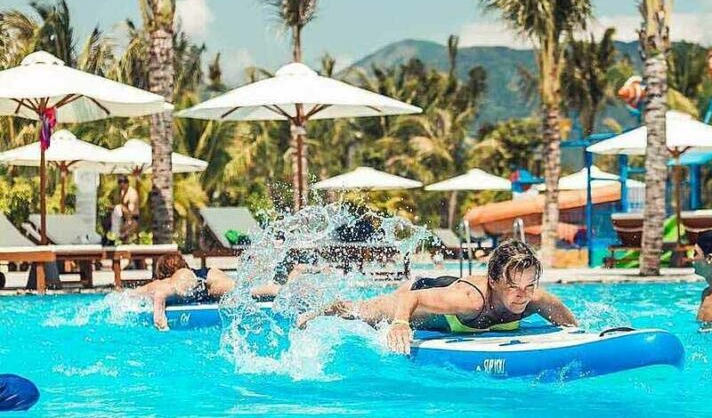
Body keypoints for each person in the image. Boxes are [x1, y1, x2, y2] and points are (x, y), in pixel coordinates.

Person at [296, 240, 578, 354]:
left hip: (447, 298)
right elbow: (413, 301)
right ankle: (322, 308)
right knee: (364, 313)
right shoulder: (470, 299)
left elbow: (572, 330)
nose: (522, 295)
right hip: (427, 293)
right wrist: (400, 324)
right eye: (513, 287)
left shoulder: (536, 300)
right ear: (493, 281)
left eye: (529, 286)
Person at [135, 253, 289, 331]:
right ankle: (283, 288)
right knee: (242, 288)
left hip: (196, 285)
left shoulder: (170, 280)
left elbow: (160, 294)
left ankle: (281, 289)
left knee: (240, 290)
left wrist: (159, 320)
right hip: (208, 274)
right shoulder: (190, 273)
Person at [117, 175, 139, 243]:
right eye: (119, 182)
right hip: (124, 219)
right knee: (122, 241)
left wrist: (129, 222)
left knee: (128, 239)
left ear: (127, 183)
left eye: (124, 182)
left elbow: (131, 210)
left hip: (132, 219)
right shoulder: (122, 192)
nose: (122, 184)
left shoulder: (132, 193)